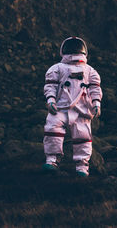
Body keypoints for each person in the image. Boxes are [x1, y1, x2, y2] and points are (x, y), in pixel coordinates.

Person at [42, 37, 102, 177]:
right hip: (62, 107)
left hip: (76, 109)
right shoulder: (59, 68)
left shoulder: (89, 71)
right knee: (53, 131)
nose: (74, 50)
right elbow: (51, 86)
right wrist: (50, 100)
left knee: (82, 137)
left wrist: (96, 103)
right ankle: (53, 160)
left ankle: (81, 166)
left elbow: (95, 89)